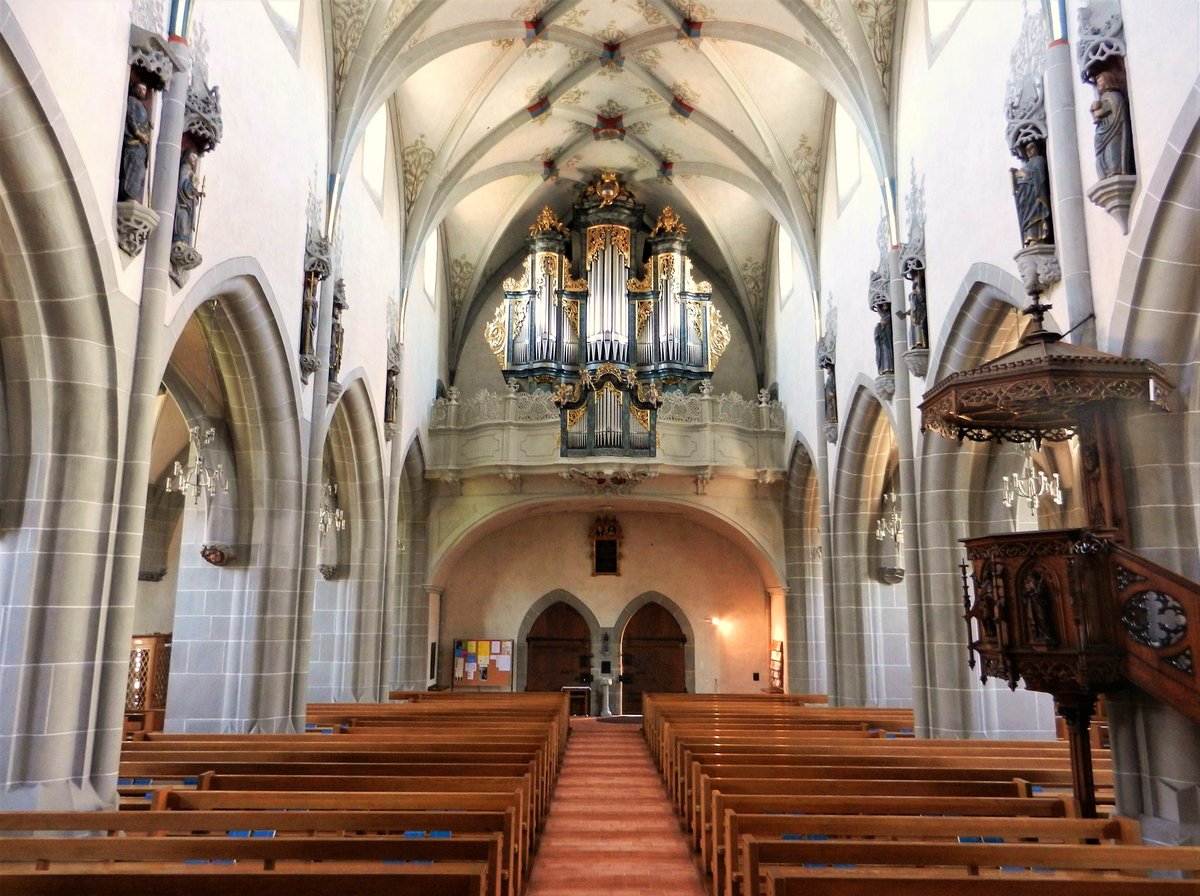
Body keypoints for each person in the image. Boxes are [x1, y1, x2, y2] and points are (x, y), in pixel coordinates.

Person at [1091, 69, 1135, 179]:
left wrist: (1095, 110)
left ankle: (1115, 170)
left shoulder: (1113, 96)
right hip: (1104, 131)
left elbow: (1105, 110)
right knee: (1102, 156)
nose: (1098, 85)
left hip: (1114, 131)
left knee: (1112, 150)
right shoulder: (1104, 97)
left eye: (1100, 82)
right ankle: (1105, 173)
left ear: (1107, 81)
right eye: (1097, 83)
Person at [1010, 141, 1053, 246]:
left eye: (1031, 148)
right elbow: (1022, 179)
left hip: (1035, 195)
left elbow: (1037, 177)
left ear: (1037, 149)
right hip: (1025, 198)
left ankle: (1038, 237)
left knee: (1035, 215)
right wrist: (1015, 177)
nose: (1029, 151)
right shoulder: (1026, 164)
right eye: (1027, 149)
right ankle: (1029, 238)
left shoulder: (1039, 160)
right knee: (1027, 217)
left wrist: (1021, 174)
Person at [119, 82, 153, 203]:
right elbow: (131, 118)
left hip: (142, 145)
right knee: (133, 166)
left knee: (139, 170)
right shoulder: (132, 100)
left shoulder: (143, 107)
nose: (143, 91)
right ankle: (128, 194)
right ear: (135, 89)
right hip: (134, 141)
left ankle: (133, 195)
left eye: (145, 89)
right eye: (140, 88)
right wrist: (139, 134)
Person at [173, 150, 200, 245]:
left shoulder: (190, 171)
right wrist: (193, 189)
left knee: (186, 226)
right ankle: (179, 241)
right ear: (187, 156)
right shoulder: (185, 168)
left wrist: (195, 193)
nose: (194, 160)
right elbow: (182, 185)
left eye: (196, 159)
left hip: (188, 206)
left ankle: (183, 242)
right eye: (193, 157)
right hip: (182, 205)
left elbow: (192, 195)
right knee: (182, 223)